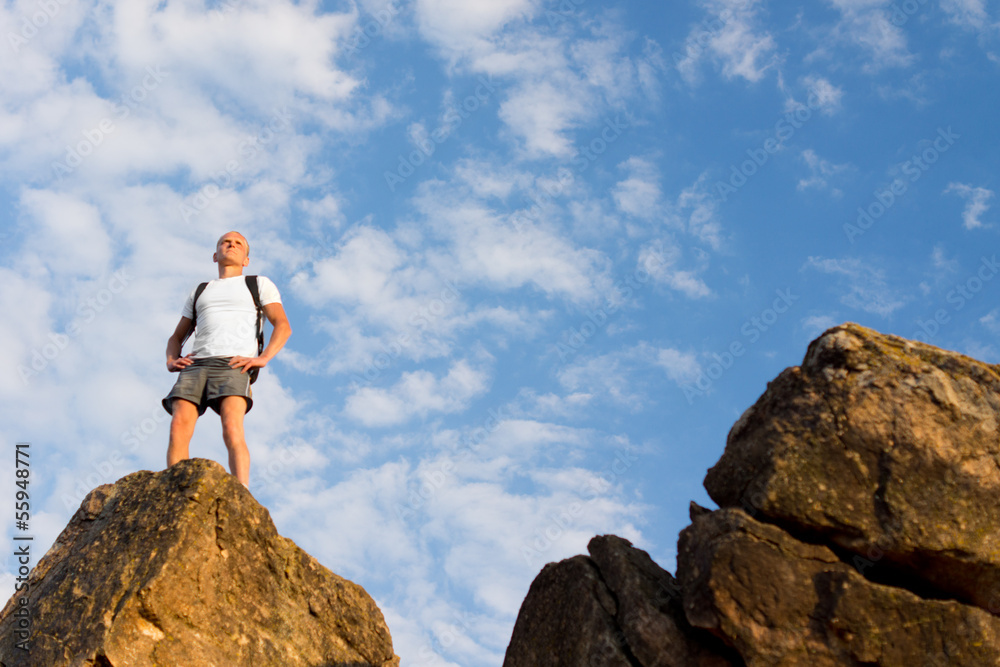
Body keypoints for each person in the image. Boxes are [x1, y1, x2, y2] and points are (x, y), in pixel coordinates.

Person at [162, 231, 292, 487]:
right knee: (178, 426)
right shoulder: (201, 290)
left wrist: (263, 358)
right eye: (225, 242)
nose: (231, 245)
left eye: (238, 243)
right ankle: (175, 491)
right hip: (196, 365)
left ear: (246, 259)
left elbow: (283, 325)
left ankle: (241, 494)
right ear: (215, 255)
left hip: (233, 364)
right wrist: (171, 360)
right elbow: (176, 337)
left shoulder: (258, 283)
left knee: (232, 428)